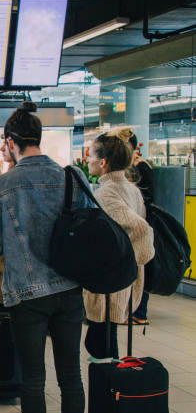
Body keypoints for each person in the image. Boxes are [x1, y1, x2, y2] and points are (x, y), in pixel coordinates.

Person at [0, 102, 92, 413]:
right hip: (69, 290)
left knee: (32, 379)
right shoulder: (72, 177)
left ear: (11, 143)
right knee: (70, 376)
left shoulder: (0, 186)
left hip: (26, 295)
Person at [83, 133, 155, 360]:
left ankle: (108, 389)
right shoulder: (131, 189)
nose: (87, 160)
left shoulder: (106, 193)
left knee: (100, 341)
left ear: (103, 162)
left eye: (91, 155)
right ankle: (110, 386)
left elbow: (141, 230)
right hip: (123, 281)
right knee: (105, 337)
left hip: (110, 283)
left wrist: (130, 261)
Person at [122, 128, 154, 325]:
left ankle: (139, 312)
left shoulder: (140, 167)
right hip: (138, 222)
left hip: (141, 224)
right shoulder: (134, 165)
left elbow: (146, 199)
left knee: (140, 268)